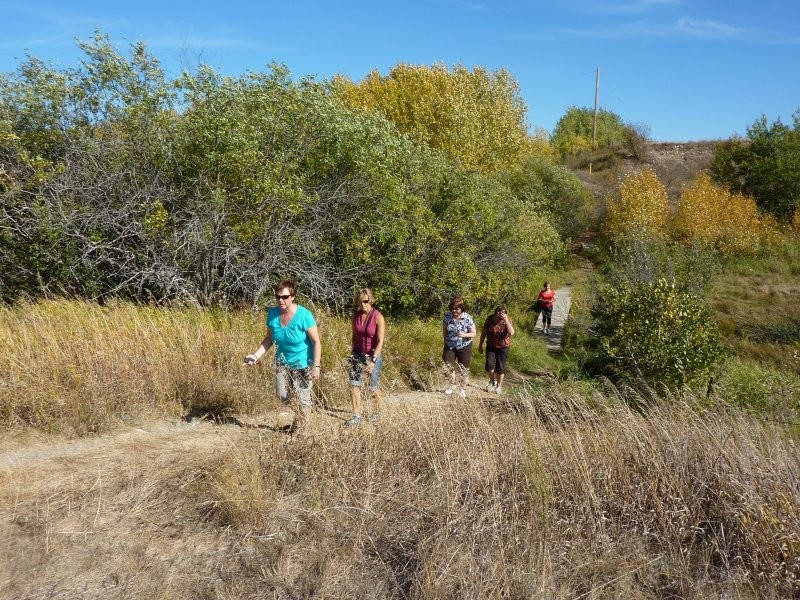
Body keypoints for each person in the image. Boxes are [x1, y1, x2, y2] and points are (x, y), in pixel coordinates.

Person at [244, 279, 322, 433]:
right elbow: (269, 339)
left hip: (303, 364)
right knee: (282, 395)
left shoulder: (304, 315)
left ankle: (303, 433)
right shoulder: (273, 314)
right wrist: (255, 356)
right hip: (282, 362)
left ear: (293, 296)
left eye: (285, 297)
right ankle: (299, 420)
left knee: (303, 399)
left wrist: (316, 366)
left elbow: (316, 342)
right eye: (278, 296)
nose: (281, 300)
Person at [344, 288, 385, 427]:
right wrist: (352, 353)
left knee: (373, 386)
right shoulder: (355, 316)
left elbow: (380, 341)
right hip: (357, 353)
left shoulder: (378, 317)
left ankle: (378, 412)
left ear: (371, 300)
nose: (363, 304)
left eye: (366, 301)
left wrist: (373, 360)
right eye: (360, 302)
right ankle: (356, 415)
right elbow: (354, 335)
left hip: (373, 354)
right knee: (354, 384)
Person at [442, 296, 476, 398]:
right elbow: (445, 330)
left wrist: (464, 335)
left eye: (457, 308)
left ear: (461, 308)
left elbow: (474, 333)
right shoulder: (447, 317)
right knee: (447, 365)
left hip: (464, 345)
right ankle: (452, 384)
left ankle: (462, 389)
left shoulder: (467, 318)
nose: (454, 310)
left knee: (463, 369)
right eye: (453, 308)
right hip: (450, 345)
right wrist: (446, 340)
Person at [478, 305, 515, 395]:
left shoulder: (508, 320)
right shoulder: (490, 319)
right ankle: (492, 381)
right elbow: (484, 332)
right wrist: (480, 345)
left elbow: (511, 332)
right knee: (489, 364)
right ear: (495, 312)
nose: (501, 314)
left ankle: (499, 386)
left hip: (504, 346)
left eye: (503, 313)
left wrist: (506, 320)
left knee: (500, 367)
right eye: (499, 312)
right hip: (491, 345)